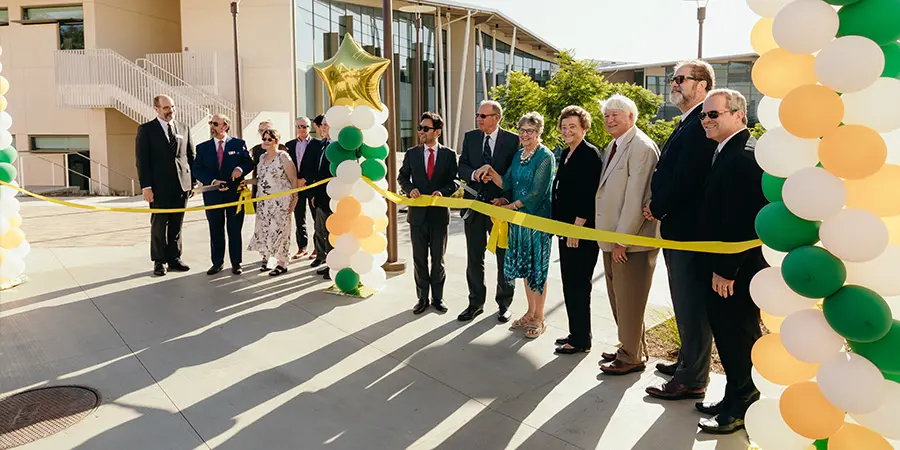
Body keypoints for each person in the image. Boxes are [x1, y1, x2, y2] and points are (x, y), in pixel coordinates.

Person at [644, 60, 720, 401]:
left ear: (702, 85)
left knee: (692, 303)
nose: (673, 84)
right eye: (672, 79)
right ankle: (687, 363)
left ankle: (692, 379)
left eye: (680, 79)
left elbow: (688, 177)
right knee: (683, 302)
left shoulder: (702, 124)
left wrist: (658, 205)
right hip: (677, 226)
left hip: (690, 228)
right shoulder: (687, 122)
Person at [693, 89, 767, 434]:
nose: (705, 121)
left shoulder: (742, 156)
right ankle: (731, 396)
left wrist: (725, 268)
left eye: (712, 115)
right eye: (703, 115)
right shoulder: (724, 151)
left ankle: (741, 408)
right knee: (726, 335)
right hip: (723, 265)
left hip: (734, 271)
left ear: (739, 115)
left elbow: (740, 219)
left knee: (738, 336)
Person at [589, 95, 661, 372]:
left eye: (615, 115)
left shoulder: (641, 147)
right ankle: (630, 347)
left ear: (632, 117)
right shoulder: (614, 145)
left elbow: (636, 197)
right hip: (611, 239)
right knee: (619, 297)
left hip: (630, 242)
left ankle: (631, 357)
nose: (609, 120)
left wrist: (622, 240)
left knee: (629, 300)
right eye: (606, 115)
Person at [483, 112, 554, 339]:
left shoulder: (545, 156)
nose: (525, 134)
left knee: (537, 270)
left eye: (530, 131)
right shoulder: (518, 155)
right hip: (518, 222)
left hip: (536, 221)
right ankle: (530, 312)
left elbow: (536, 192)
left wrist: (510, 207)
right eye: (522, 130)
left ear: (539, 132)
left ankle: (540, 318)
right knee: (525, 268)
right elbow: (507, 182)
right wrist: (492, 175)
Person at [457, 100, 520, 322]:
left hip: (500, 209)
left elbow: (515, 175)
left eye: (483, 116)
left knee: (504, 258)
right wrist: (474, 174)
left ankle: (504, 304)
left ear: (497, 118)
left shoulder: (513, 140)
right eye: (478, 115)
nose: (479, 119)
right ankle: (475, 303)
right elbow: (462, 165)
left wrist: (504, 198)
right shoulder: (471, 137)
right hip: (474, 208)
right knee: (474, 257)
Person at [552, 106, 603, 353]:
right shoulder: (565, 153)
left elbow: (588, 194)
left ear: (584, 127)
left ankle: (581, 340)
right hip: (565, 229)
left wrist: (577, 228)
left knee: (579, 285)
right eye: (564, 126)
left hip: (580, 231)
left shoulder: (589, 154)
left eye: (573, 126)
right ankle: (576, 333)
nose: (567, 130)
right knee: (569, 283)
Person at [398, 112, 459, 315]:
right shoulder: (412, 153)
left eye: (426, 128)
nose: (421, 132)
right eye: (420, 128)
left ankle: (438, 298)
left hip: (439, 216)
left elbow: (455, 181)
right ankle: (422, 298)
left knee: (438, 259)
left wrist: (444, 192)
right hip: (417, 216)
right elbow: (402, 177)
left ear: (437, 131)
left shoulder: (449, 155)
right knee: (419, 259)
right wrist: (410, 189)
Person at [135, 94, 195, 277]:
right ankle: (159, 261)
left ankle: (174, 258)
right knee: (160, 224)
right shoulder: (146, 130)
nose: (171, 111)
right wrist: (146, 187)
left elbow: (190, 156)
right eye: (166, 108)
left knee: (177, 224)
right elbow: (142, 161)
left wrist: (192, 181)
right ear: (157, 109)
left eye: (173, 107)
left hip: (181, 185)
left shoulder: (184, 128)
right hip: (158, 187)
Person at [192, 114, 254, 275]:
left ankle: (236, 263)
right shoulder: (202, 147)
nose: (211, 126)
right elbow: (197, 169)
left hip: (234, 195)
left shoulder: (238, 144)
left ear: (225, 126)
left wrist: (239, 170)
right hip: (213, 195)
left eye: (215, 123)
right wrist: (212, 181)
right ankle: (217, 263)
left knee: (234, 230)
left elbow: (248, 162)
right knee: (215, 229)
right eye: (211, 123)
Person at [243, 129, 299, 276]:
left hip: (280, 202)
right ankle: (268, 259)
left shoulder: (283, 157)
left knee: (280, 231)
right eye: (264, 138)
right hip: (264, 202)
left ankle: (282, 263)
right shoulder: (262, 158)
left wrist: (295, 199)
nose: (266, 141)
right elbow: (261, 179)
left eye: (269, 139)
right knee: (265, 230)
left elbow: (293, 179)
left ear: (276, 141)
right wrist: (248, 181)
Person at [285, 116, 316, 260]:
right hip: (296, 187)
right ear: (296, 128)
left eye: (305, 126)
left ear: (310, 128)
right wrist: (295, 181)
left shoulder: (318, 144)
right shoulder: (289, 145)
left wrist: (306, 179)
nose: (302, 129)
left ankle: (318, 247)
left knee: (317, 218)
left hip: (312, 186)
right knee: (299, 217)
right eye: (299, 126)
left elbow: (318, 166)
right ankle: (302, 247)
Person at [308, 115, 334, 280]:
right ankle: (327, 262)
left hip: (333, 198)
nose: (323, 128)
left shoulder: (338, 148)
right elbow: (318, 173)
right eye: (322, 125)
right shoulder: (322, 145)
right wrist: (314, 195)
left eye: (326, 125)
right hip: (320, 198)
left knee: (332, 233)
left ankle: (333, 266)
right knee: (322, 231)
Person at [250, 119, 288, 199]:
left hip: (278, 191)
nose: (264, 133)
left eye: (267, 130)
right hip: (260, 190)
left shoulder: (283, 149)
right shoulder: (256, 149)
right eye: (261, 130)